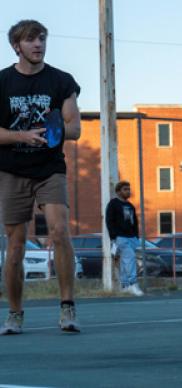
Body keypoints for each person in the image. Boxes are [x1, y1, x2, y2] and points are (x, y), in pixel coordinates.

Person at [0, 19, 81, 334]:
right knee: (16, 244)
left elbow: (74, 127)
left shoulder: (61, 81)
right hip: (11, 170)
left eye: (42, 39)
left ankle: (67, 307)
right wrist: (22, 137)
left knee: (60, 232)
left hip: (49, 169)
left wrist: (53, 132)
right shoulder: (3, 82)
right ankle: (15, 313)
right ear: (17, 46)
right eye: (31, 40)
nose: (38, 45)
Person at [105, 181, 144, 296]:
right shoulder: (113, 204)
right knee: (130, 258)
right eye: (125, 189)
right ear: (118, 191)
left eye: (129, 189)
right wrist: (113, 236)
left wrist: (136, 236)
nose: (128, 191)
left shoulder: (130, 205)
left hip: (132, 237)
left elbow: (135, 222)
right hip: (121, 237)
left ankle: (125, 286)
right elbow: (109, 221)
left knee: (124, 261)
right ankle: (133, 284)